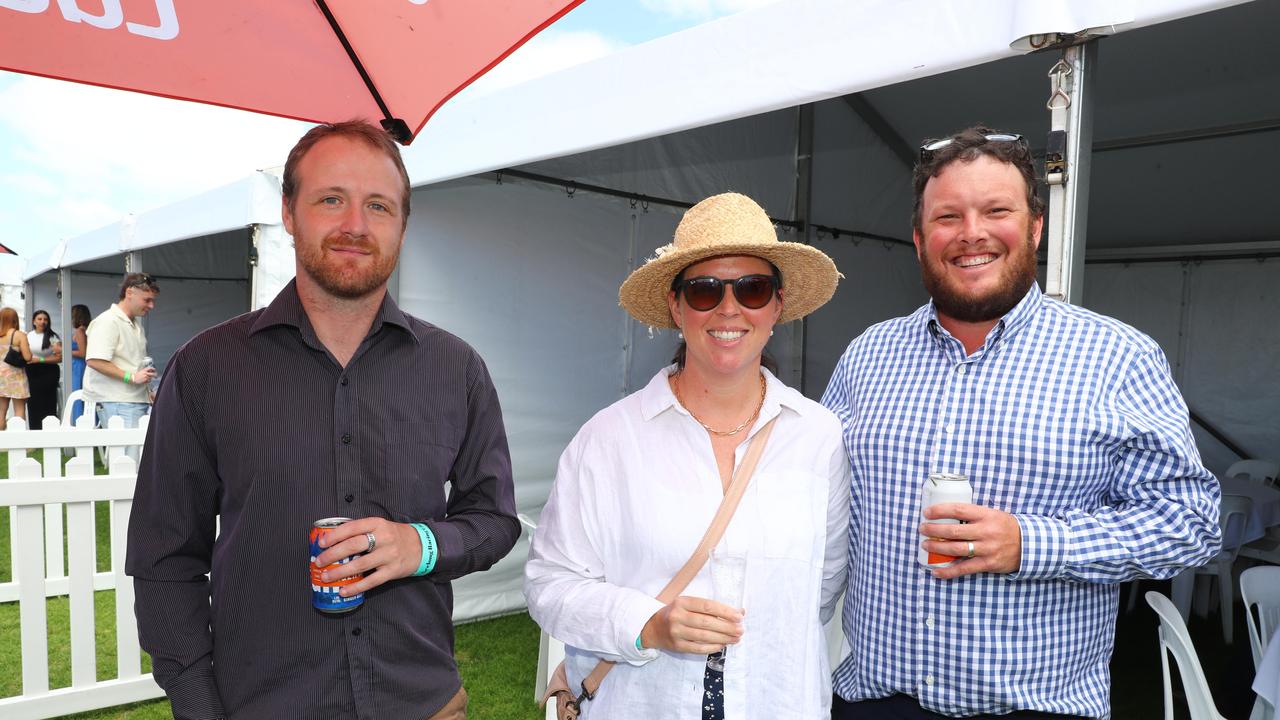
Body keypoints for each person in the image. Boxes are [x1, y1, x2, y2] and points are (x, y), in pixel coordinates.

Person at [821, 126, 1221, 719]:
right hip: (876, 701)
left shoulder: (1116, 357)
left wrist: (1031, 543)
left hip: (1036, 708)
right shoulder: (868, 356)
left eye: (996, 211)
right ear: (919, 237)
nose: (971, 233)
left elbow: (1190, 523)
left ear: (1035, 227)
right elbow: (810, 498)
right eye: (948, 216)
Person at [126, 120, 519, 720]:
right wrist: (199, 705)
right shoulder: (206, 369)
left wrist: (424, 544)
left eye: (379, 206)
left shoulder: (457, 369)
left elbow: (494, 522)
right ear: (288, 212)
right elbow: (164, 560)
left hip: (422, 703)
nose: (355, 225)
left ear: (403, 227)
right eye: (331, 199)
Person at [526, 192, 851, 719]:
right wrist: (646, 623)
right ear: (676, 307)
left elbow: (821, 589)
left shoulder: (820, 437)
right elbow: (549, 583)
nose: (729, 308)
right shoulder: (609, 439)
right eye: (704, 290)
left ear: (778, 305)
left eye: (753, 288)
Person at [84, 273, 159, 431]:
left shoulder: (136, 324)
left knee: (132, 455)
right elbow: (94, 361)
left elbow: (131, 364)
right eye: (147, 300)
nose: (152, 306)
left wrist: (147, 392)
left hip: (131, 401)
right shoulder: (108, 321)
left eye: (153, 300)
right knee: (126, 455)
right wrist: (131, 377)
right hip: (118, 402)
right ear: (129, 293)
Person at [25, 309, 62, 429]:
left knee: (49, 400)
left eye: (45, 319)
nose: (42, 322)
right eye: (39, 319)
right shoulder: (28, 336)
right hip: (32, 372)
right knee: (34, 401)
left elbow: (59, 358)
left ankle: (50, 429)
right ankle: (35, 429)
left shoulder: (53, 337)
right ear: (34, 321)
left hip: (49, 371)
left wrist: (40, 360)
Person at [0, 307, 33, 430]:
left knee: (1, 411)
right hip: (16, 377)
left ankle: (1, 442)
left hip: (1, 378)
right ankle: (19, 441)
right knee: (19, 410)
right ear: (15, 320)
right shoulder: (19, 335)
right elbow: (28, 357)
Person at [69, 304, 90, 425]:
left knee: (78, 393)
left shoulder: (80, 331)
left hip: (79, 366)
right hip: (78, 365)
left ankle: (79, 420)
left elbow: (83, 353)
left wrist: (65, 351)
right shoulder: (84, 330)